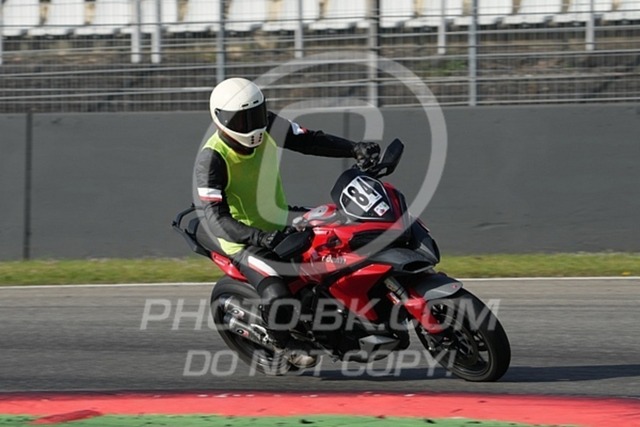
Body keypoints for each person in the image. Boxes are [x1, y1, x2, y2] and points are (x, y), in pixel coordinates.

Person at [195, 77, 380, 367]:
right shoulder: (211, 159)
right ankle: (282, 343)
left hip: (280, 220)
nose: (253, 126)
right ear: (220, 119)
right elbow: (214, 218)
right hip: (242, 241)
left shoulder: (268, 125)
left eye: (256, 115)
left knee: (340, 242)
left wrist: (353, 148)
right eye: (242, 120)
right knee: (276, 292)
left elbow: (309, 140)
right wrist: (258, 238)